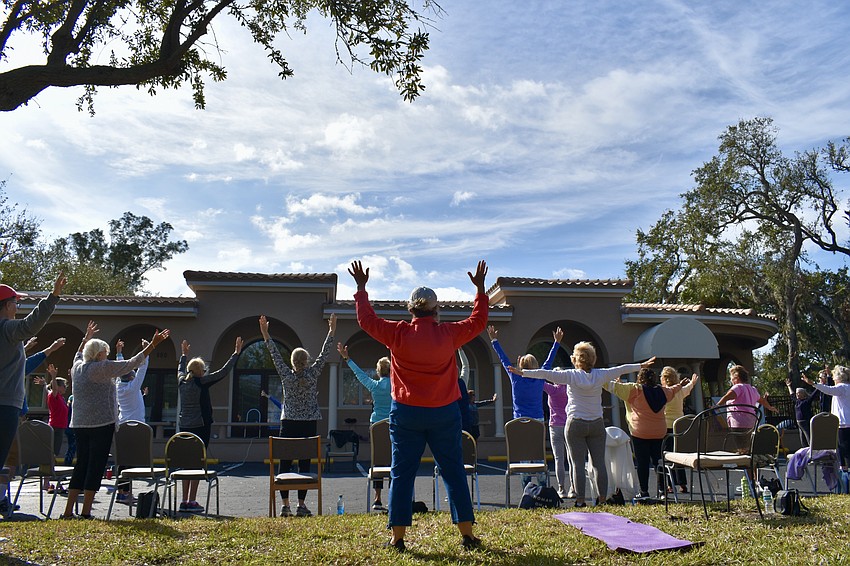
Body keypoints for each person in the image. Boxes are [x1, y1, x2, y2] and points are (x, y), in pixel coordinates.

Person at [350, 259, 488, 552]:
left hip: (406, 413)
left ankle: (397, 538)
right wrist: (480, 290)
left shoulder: (398, 333)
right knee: (453, 471)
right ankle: (467, 534)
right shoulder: (448, 334)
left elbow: (367, 321)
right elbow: (478, 321)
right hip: (444, 413)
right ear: (436, 310)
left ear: (410, 309)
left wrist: (361, 288)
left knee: (402, 473)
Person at [512, 343, 655, 508]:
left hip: (576, 423)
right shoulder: (601, 374)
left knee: (577, 464)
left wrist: (523, 372)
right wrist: (641, 366)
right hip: (596, 424)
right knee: (599, 463)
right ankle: (602, 499)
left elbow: (545, 373)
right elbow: (621, 369)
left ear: (576, 359)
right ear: (592, 359)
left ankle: (580, 500)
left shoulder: (571, 375)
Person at [60, 321, 169, 519]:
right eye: (105, 352)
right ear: (98, 354)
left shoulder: (77, 368)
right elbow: (132, 363)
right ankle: (85, 511)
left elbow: (78, 354)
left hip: (79, 423)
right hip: (101, 423)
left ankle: (68, 511)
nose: (106, 355)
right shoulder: (101, 368)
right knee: (95, 465)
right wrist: (153, 345)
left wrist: (86, 338)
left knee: (81, 464)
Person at [0, 273, 66, 518]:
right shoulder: (7, 327)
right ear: (7, 305)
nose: (17, 307)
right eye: (16, 303)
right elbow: (31, 324)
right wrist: (53, 296)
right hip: (5, 404)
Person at [261, 313, 335, 518]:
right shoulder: (313, 374)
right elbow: (324, 354)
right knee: (305, 463)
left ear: (292, 362)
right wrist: (331, 331)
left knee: (285, 462)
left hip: (288, 423)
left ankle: (285, 505)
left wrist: (266, 334)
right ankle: (301, 504)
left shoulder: (286, 375)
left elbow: (275, 354)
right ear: (307, 361)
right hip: (308, 423)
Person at [176, 336, 242, 513]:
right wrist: (235, 354)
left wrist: (183, 355)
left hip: (184, 426)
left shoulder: (181, 381)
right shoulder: (201, 382)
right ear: (200, 372)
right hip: (200, 426)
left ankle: (183, 500)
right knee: (197, 463)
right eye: (203, 370)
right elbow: (223, 372)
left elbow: (180, 369)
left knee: (186, 463)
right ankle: (192, 501)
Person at [490, 325, 562, 487]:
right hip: (537, 421)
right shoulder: (540, 377)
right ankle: (542, 488)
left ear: (521, 366)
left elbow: (503, 359)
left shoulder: (515, 377)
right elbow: (549, 361)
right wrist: (556, 343)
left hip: (519, 422)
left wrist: (494, 340)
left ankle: (526, 489)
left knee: (523, 455)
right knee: (538, 454)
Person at [607, 367, 683, 498]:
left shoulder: (635, 390)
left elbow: (613, 387)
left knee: (642, 463)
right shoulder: (663, 391)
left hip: (640, 432)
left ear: (639, 378)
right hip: (659, 432)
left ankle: (644, 491)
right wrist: (681, 384)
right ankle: (662, 490)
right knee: (659, 461)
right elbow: (673, 390)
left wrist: (598, 378)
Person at [337, 342, 391, 511]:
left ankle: (377, 498)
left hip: (376, 425)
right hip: (393, 424)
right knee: (395, 459)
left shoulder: (374, 386)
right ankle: (395, 497)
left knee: (378, 460)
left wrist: (347, 359)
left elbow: (359, 374)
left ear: (378, 371)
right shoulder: (397, 386)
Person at [715, 365, 777, 448]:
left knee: (740, 447)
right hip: (751, 422)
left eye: (731, 379)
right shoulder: (753, 389)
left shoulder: (738, 387)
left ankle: (742, 454)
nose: (731, 381)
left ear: (736, 378)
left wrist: (716, 406)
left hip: (738, 422)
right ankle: (747, 454)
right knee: (748, 446)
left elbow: (727, 397)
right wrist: (770, 407)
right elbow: (762, 400)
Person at [803, 365, 850, 472]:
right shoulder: (847, 387)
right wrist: (828, 375)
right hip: (846, 422)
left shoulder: (842, 388)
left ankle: (844, 470)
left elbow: (828, 390)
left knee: (843, 449)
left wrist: (813, 383)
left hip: (843, 423)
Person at [33, 362, 71, 494]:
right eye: (64, 386)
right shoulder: (54, 396)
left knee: (52, 454)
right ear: (58, 387)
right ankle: (46, 482)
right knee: (51, 454)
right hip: (56, 428)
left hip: (58, 427)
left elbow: (48, 389)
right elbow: (52, 389)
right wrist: (53, 377)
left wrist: (44, 384)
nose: (65, 388)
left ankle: (47, 481)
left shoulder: (58, 397)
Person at [660, 367, 699, 493]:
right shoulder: (680, 391)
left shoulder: (664, 392)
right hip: (679, 426)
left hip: (666, 426)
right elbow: (688, 388)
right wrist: (692, 383)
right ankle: (682, 483)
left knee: (666, 456)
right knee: (678, 455)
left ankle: (670, 485)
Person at [543, 370, 572, 500]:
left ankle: (562, 488)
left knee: (559, 458)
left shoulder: (552, 390)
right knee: (572, 459)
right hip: (569, 425)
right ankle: (573, 488)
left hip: (555, 426)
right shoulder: (569, 389)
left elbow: (538, 380)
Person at [786, 377, 819, 447]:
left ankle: (812, 449)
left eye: (798, 393)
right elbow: (792, 395)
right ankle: (805, 449)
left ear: (803, 394)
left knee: (808, 437)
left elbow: (813, 394)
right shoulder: (797, 401)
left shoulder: (807, 401)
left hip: (805, 421)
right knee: (802, 439)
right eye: (796, 393)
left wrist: (819, 386)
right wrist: (789, 386)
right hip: (799, 422)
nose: (797, 395)